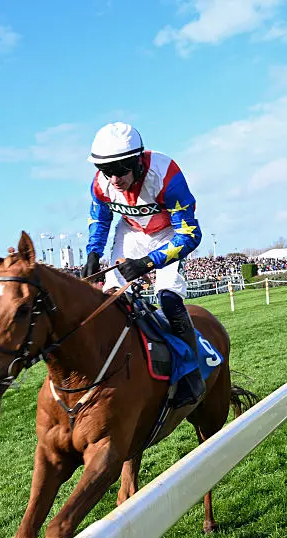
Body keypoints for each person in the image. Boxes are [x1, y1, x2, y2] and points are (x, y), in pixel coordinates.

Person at [80, 122, 205, 407]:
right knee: (110, 299)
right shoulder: (100, 184)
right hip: (132, 232)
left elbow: (190, 235)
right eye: (106, 170)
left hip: (170, 233)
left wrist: (147, 263)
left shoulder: (166, 175)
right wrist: (93, 254)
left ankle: (192, 374)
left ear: (138, 161)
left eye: (120, 170)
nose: (114, 179)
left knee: (169, 298)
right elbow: (100, 220)